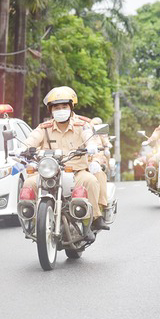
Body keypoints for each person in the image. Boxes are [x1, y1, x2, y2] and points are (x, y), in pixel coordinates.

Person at [22, 86, 109, 236]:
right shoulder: (44, 128)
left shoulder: (83, 125)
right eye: (56, 107)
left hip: (76, 171)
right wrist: (23, 148)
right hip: (49, 172)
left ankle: (94, 218)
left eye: (64, 106)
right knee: (29, 183)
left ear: (71, 107)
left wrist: (93, 148)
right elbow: (31, 140)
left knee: (91, 181)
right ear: (51, 110)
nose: (60, 110)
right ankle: (32, 220)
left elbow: (92, 139)